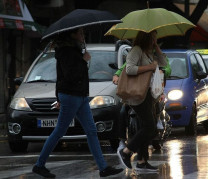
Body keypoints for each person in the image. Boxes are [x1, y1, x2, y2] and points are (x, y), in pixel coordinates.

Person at [32, 28, 123, 178]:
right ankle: (39, 165)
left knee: (91, 131)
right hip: (71, 95)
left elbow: (62, 77)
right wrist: (83, 60)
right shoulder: (67, 52)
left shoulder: (73, 50)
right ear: (73, 35)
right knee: (60, 131)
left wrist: (81, 59)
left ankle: (103, 168)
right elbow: (68, 76)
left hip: (79, 96)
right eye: (80, 33)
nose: (83, 36)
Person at [117, 30, 167, 172]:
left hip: (148, 94)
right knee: (149, 127)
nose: (154, 40)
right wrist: (149, 67)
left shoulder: (148, 52)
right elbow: (130, 69)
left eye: (155, 37)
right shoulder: (136, 50)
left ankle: (142, 161)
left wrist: (157, 48)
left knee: (146, 127)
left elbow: (163, 63)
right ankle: (126, 151)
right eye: (153, 37)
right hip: (138, 95)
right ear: (146, 37)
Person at [112, 42, 171, 152]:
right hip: (138, 91)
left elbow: (167, 67)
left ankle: (141, 159)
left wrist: (161, 69)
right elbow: (127, 67)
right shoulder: (138, 51)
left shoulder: (155, 54)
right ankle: (123, 143)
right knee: (123, 112)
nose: (154, 40)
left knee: (150, 123)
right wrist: (117, 74)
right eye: (153, 37)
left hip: (153, 92)